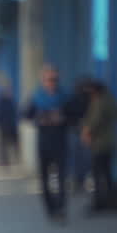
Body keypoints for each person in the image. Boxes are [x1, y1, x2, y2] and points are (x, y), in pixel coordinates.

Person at [23, 64, 71, 221]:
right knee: (44, 180)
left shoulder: (64, 97)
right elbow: (25, 114)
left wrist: (62, 117)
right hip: (44, 143)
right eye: (49, 79)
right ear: (43, 81)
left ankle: (60, 207)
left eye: (54, 79)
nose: (52, 82)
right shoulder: (36, 98)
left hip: (60, 142)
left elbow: (75, 115)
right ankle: (50, 209)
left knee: (61, 178)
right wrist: (40, 118)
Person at [81, 79, 117, 211]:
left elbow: (95, 120)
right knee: (107, 173)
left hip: (99, 143)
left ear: (94, 91)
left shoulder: (99, 101)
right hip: (109, 142)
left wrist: (87, 132)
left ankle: (98, 203)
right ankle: (110, 200)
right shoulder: (109, 99)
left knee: (98, 174)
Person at [0, 83, 19, 166]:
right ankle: (4, 162)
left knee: (14, 144)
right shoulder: (1, 101)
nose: (9, 92)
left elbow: (15, 113)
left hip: (12, 126)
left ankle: (17, 160)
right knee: (3, 145)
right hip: (4, 126)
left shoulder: (11, 101)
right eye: (7, 91)